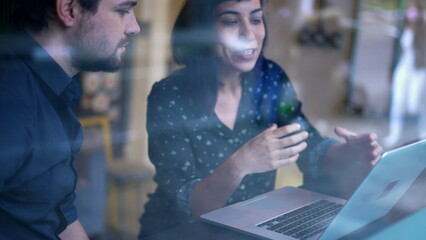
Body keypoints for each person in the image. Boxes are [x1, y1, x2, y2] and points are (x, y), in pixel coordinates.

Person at [138, 0, 382, 237]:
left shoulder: (270, 78)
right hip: (180, 232)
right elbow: (194, 206)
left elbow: (310, 146)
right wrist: (242, 162)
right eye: (231, 21)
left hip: (250, 228)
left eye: (256, 19)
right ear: (202, 30)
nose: (249, 33)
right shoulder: (169, 95)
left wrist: (349, 152)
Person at [0, 0, 140, 239]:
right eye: (123, 10)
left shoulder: (55, 92)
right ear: (69, 10)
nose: (134, 27)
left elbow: (59, 215)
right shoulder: (11, 100)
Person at [383, 0, 426, 147]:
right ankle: (395, 133)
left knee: (416, 103)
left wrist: (418, 28)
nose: (411, 13)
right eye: (409, 9)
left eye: (414, 9)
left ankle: (423, 131)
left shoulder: (423, 27)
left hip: (419, 68)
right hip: (403, 67)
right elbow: (395, 51)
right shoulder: (402, 26)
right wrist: (391, 69)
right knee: (398, 101)